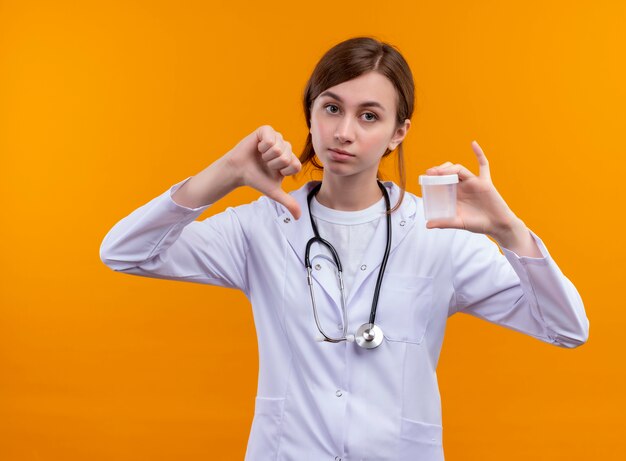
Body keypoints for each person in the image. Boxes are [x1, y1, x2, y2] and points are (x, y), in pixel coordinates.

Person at [100, 37, 589, 461]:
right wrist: (225, 172)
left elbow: (567, 329)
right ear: (310, 114)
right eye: (331, 108)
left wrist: (509, 232)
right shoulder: (263, 226)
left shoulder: (438, 233)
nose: (344, 132)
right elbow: (124, 252)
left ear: (398, 133)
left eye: (369, 116)